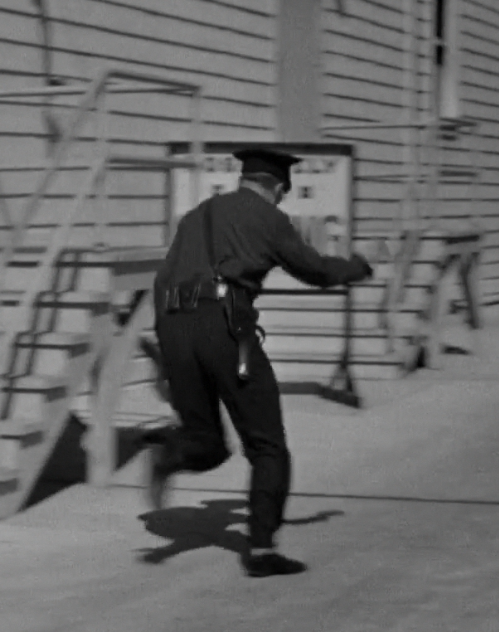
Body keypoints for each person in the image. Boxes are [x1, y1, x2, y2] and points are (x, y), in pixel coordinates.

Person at [145, 147, 373, 578]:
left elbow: (162, 281)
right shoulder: (269, 218)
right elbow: (316, 270)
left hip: (174, 325)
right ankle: (262, 550)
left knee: (207, 443)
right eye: (283, 192)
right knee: (268, 446)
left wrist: (168, 349)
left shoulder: (197, 215)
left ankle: (170, 453)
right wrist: (357, 268)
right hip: (228, 328)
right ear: (277, 186)